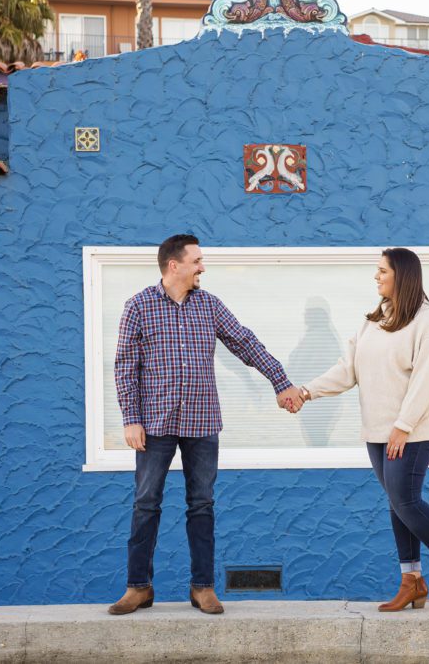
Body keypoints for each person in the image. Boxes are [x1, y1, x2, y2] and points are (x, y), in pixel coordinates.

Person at [108, 234, 303, 616]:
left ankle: (202, 588)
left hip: (202, 422)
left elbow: (246, 343)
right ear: (173, 265)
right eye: (197, 260)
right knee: (146, 504)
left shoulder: (209, 305)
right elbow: (124, 367)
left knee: (202, 505)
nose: (202, 267)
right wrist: (130, 418)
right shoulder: (139, 306)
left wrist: (281, 382)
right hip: (155, 424)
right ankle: (138, 588)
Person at [293, 247, 429, 611]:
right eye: (376, 271)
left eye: (382, 271)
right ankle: (412, 581)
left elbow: (428, 379)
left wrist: (403, 426)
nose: (376, 276)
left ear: (403, 276)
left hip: (414, 432)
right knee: (398, 505)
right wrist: (306, 392)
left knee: (406, 501)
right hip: (377, 432)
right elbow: (347, 370)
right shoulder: (375, 319)